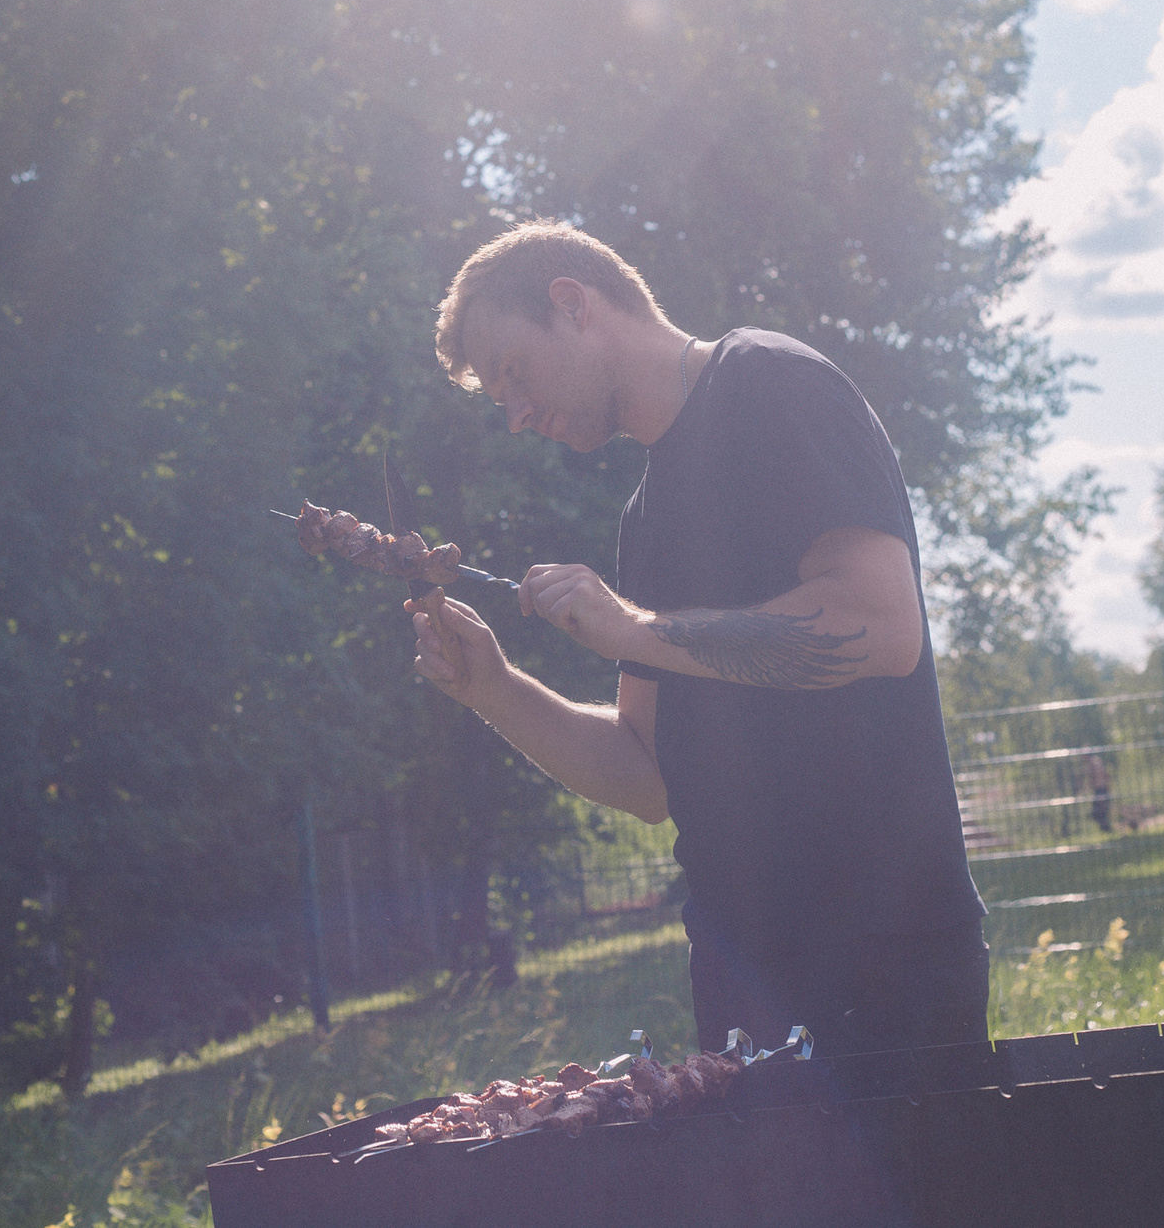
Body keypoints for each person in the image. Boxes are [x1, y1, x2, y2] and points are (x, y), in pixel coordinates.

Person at [405, 220, 987, 1058]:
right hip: (739, 977)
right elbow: (646, 776)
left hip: (886, 962)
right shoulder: (643, 521)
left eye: (514, 373)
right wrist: (495, 688)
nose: (518, 415)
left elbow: (883, 625)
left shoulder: (770, 381)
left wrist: (636, 629)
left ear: (573, 305)